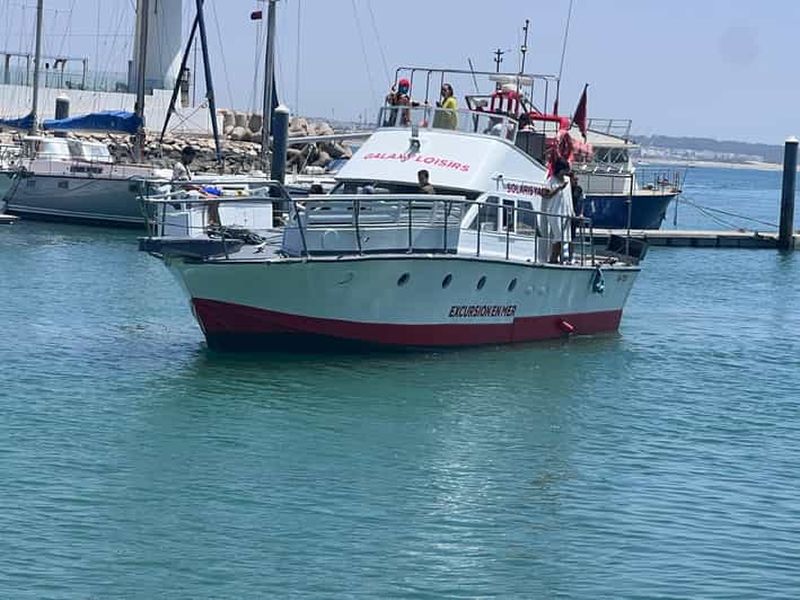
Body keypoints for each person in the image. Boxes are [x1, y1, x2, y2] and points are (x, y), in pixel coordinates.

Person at [539, 158, 574, 263]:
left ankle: (562, 258)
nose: (565, 173)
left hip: (566, 212)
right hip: (554, 212)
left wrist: (572, 211)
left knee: (566, 237)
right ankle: (554, 258)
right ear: (559, 170)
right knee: (559, 236)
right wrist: (559, 188)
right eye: (564, 170)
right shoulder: (550, 181)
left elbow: (569, 196)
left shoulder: (567, 180)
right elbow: (546, 195)